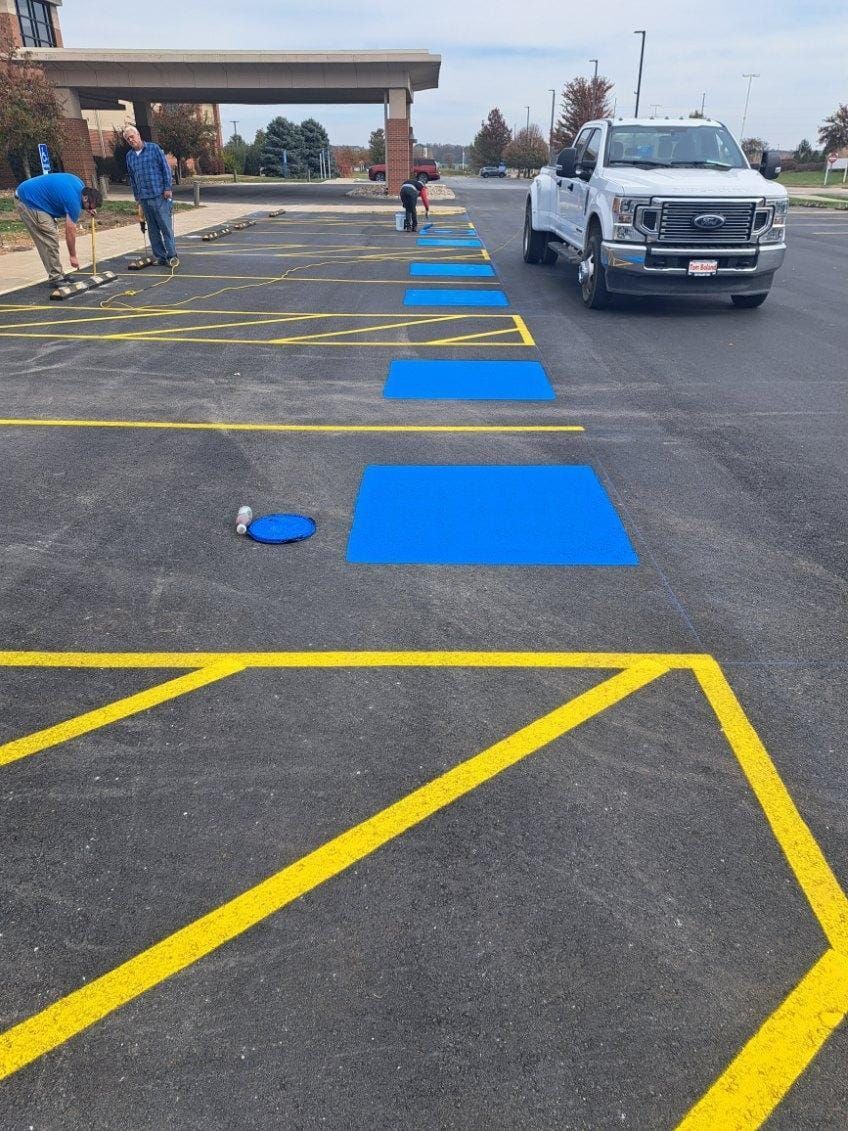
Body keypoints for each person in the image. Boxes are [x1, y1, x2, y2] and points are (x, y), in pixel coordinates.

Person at [14, 173, 101, 288]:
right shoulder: (73, 202)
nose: (90, 209)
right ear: (85, 198)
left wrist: (88, 209)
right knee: (48, 238)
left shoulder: (80, 186)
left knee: (51, 237)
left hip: (36, 197)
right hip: (28, 201)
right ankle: (55, 277)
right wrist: (73, 256)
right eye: (90, 207)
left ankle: (59, 273)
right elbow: (70, 232)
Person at [123, 125, 179, 267]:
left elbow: (165, 169)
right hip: (144, 197)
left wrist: (167, 187)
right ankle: (160, 256)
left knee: (165, 227)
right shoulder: (129, 157)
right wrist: (137, 197)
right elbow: (133, 178)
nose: (131, 140)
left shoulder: (154, 149)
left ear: (138, 135)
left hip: (159, 195)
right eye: (128, 138)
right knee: (153, 230)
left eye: (132, 136)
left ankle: (172, 256)